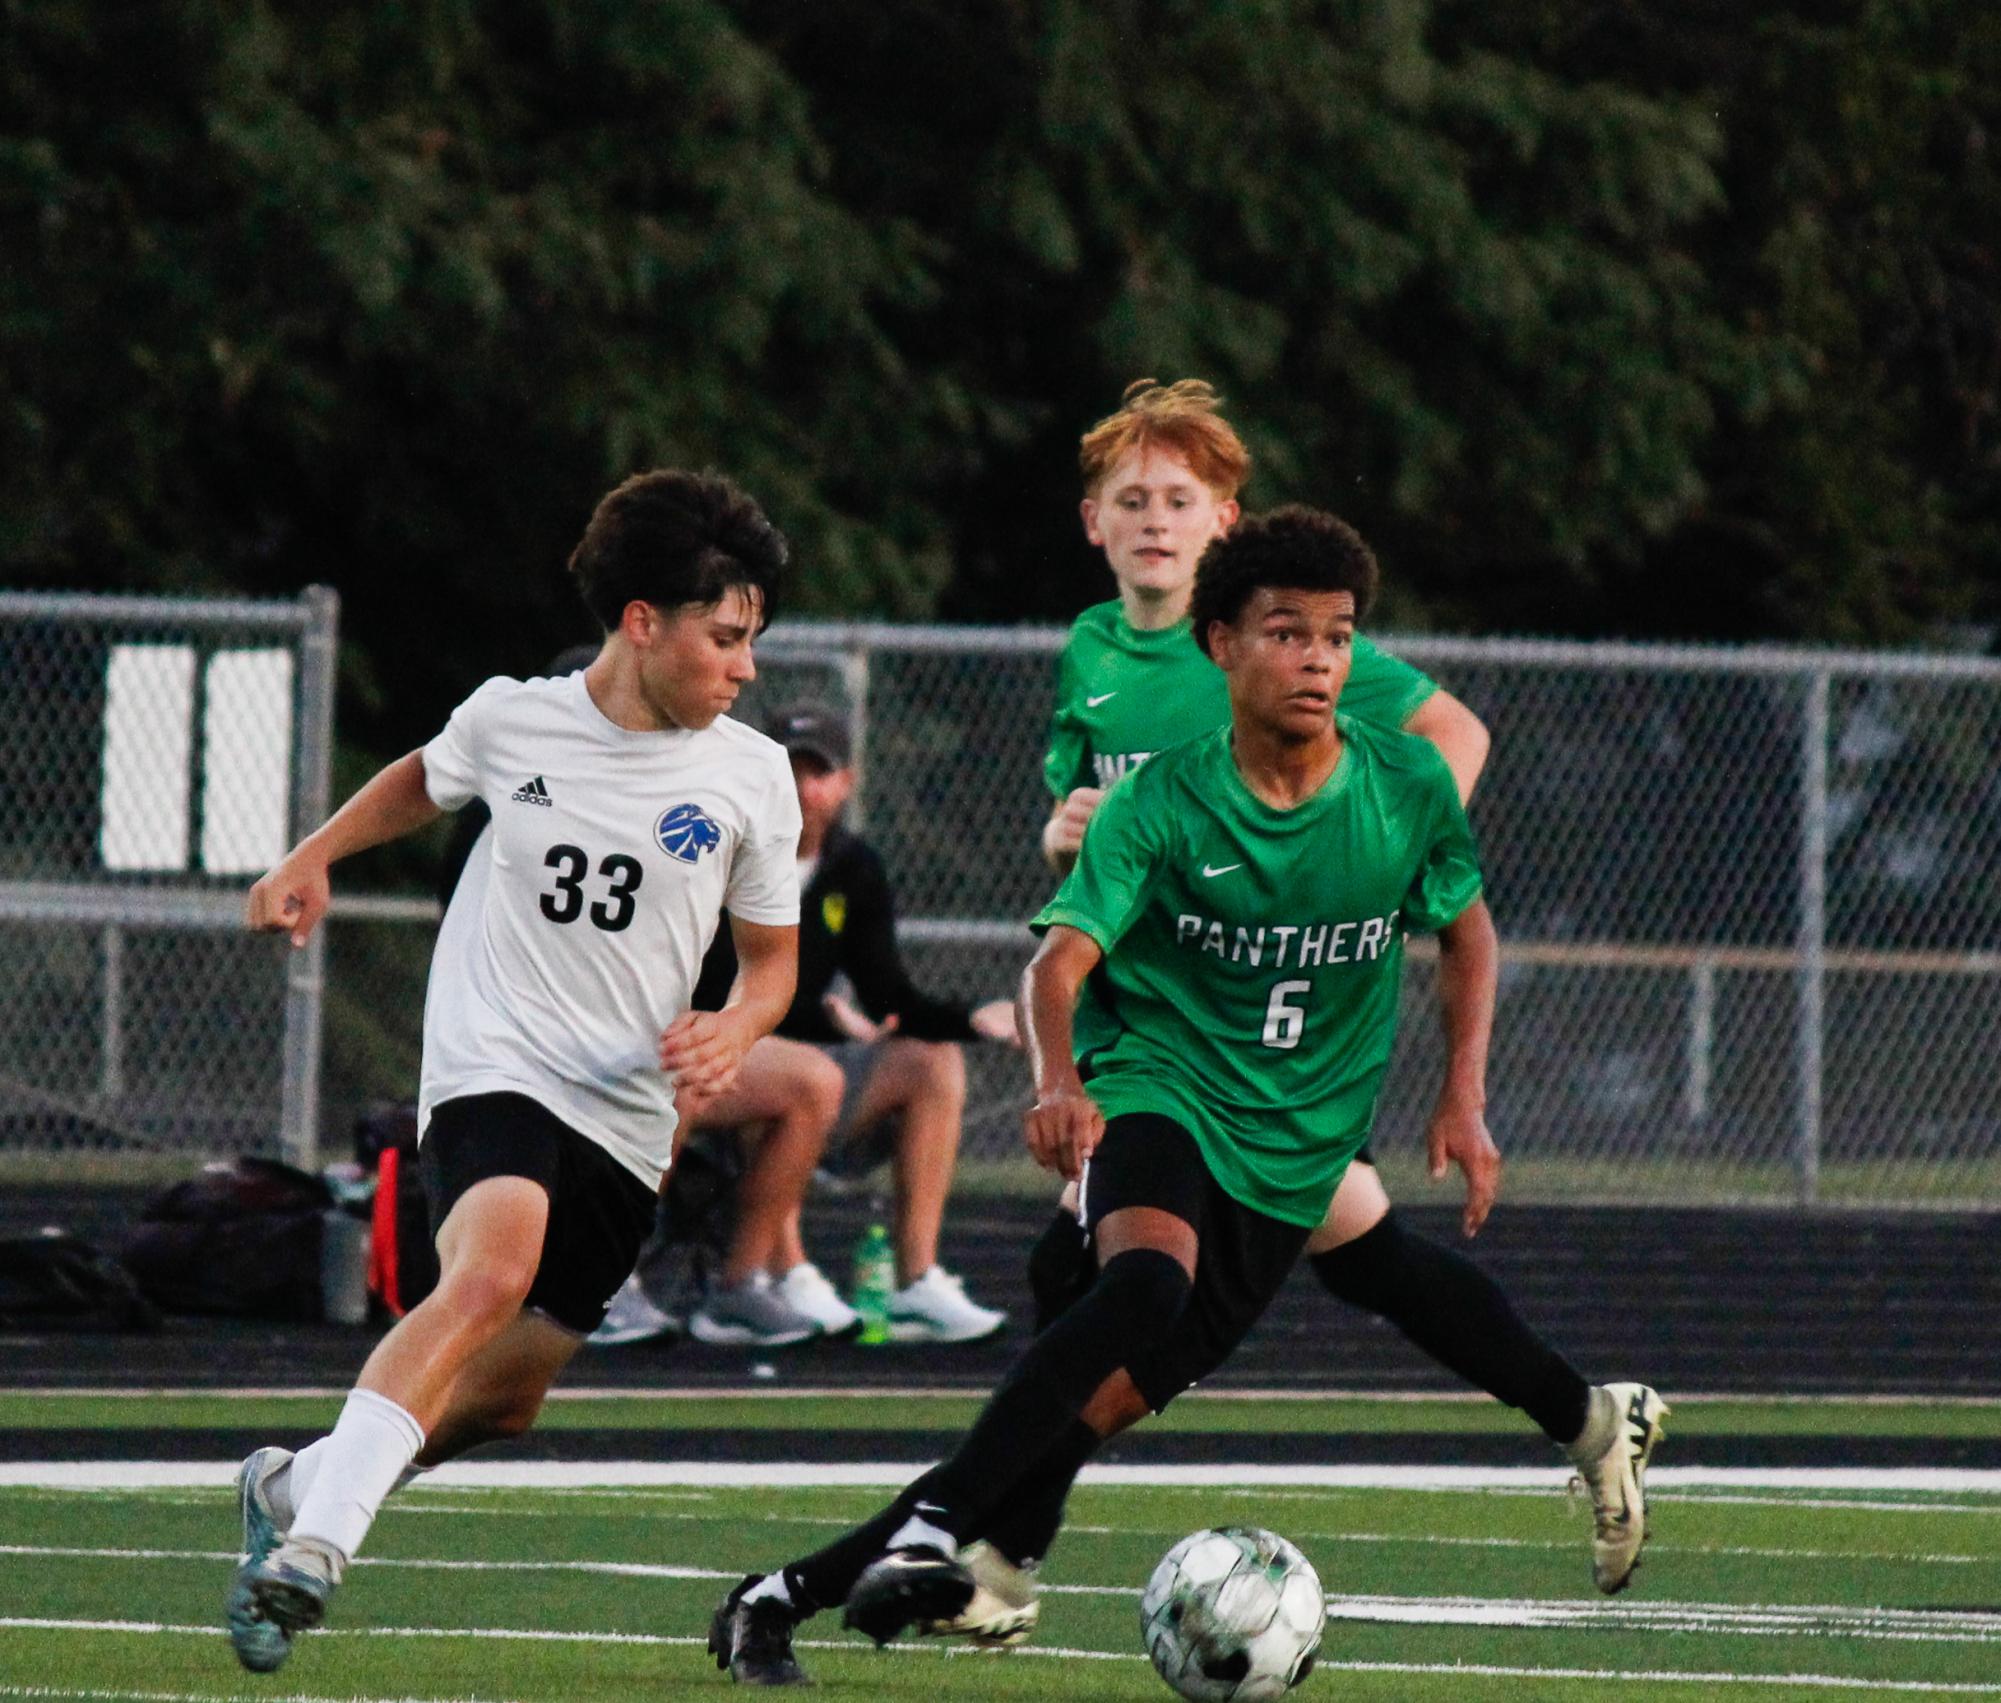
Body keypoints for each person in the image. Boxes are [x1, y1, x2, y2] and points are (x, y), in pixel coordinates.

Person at [712, 506, 1518, 1685]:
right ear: (1220, 646)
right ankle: (946, 1539)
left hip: (1290, 1148)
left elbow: (1470, 930)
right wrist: (1056, 1078)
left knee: (1055, 1428)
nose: (1319, 660)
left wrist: (1462, 1095)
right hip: (1157, 1086)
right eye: (1287, 633)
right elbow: (1058, 961)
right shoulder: (1163, 797)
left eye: (1339, 637)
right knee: (1141, 1283)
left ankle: (782, 1593)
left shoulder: (1398, 782)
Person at [1001, 380, 1663, 1615]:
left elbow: (1450, 733)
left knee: (1137, 1280)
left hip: (1271, 1033)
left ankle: (992, 1552)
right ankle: (1585, 1414)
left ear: (1226, 524)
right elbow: (1082, 833)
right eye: (1131, 500)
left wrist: (1374, 856)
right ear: (1092, 521)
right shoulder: (1092, 651)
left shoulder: (1276, 639)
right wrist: (1064, 835)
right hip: (1168, 1032)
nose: (1155, 521)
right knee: (1322, 1256)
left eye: (1180, 501)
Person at [224, 469, 802, 1674]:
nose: (745, 667)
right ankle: (318, 1548)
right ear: (642, 619)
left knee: (507, 1396)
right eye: (726, 636)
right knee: (489, 1270)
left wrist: (738, 1030)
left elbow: (771, 965)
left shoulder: (751, 775)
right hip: (497, 1059)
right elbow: (422, 778)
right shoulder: (514, 717)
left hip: (630, 1110)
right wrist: (313, 856)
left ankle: (294, 1484)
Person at [675, 700, 1018, 1347]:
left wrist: (972, 1017)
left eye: (819, 772)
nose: (805, 789)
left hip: (819, 1065)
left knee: (933, 1059)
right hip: (728, 1066)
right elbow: (709, 988)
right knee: (783, 1067)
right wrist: (822, 1019)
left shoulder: (854, 868)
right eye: (790, 769)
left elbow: (887, 991)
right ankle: (781, 1272)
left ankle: (915, 1279)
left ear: (846, 781)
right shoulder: (718, 853)